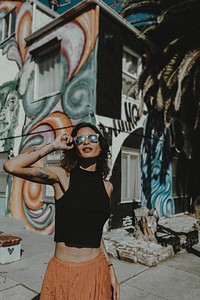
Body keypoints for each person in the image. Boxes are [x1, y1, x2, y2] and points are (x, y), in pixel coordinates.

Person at [4, 122, 119, 300]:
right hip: (64, 272)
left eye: (92, 138)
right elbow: (11, 166)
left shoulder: (107, 187)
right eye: (80, 139)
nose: (86, 142)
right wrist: (53, 146)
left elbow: (95, 231)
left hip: (96, 270)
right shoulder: (62, 177)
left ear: (101, 145)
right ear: (75, 146)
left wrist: (110, 269)